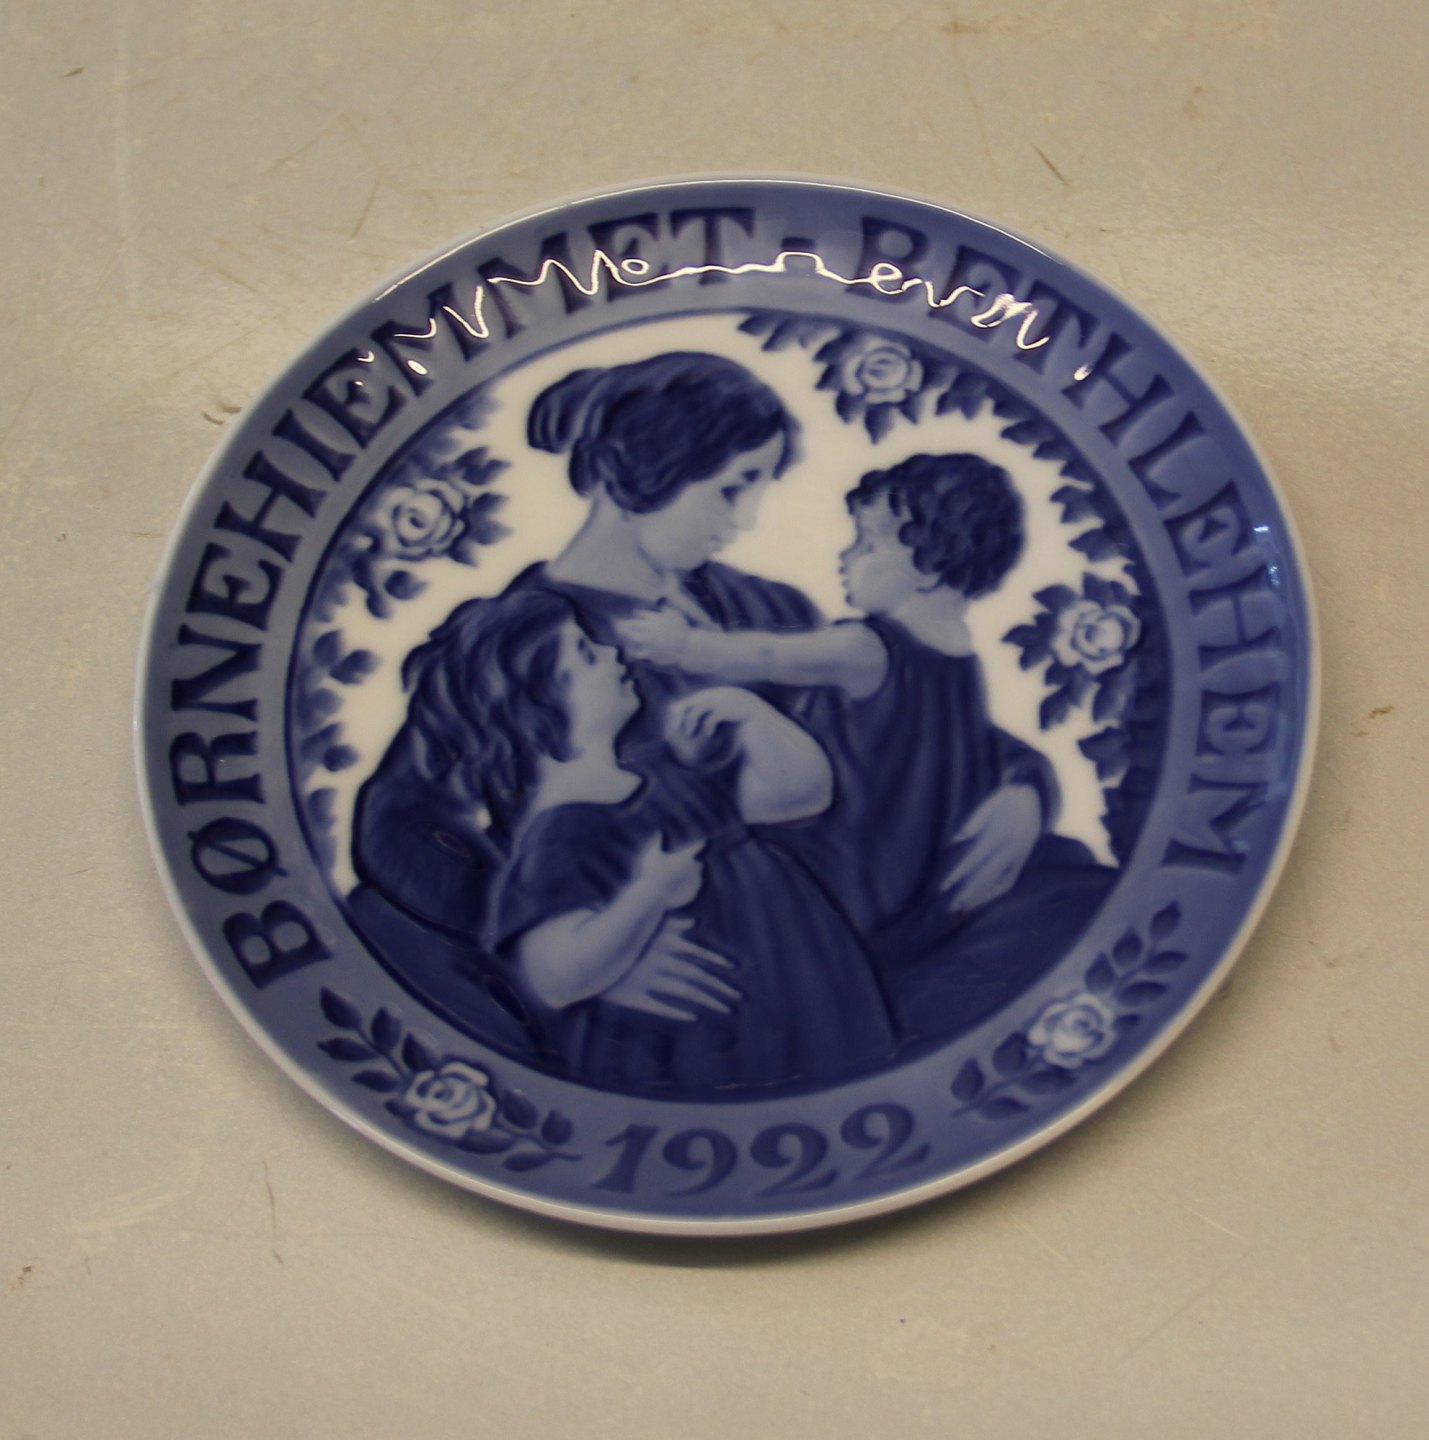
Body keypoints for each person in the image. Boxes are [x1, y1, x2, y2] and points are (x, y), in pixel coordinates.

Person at [618, 452, 1116, 1043]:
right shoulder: (958, 653)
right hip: (909, 877)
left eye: (868, 543)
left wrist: (683, 646)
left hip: (842, 868)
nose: (846, 556)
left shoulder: (865, 646)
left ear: (928, 567)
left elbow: (769, 656)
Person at [436, 587, 898, 1093]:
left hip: (801, 990)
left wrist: (751, 714)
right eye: (587, 654)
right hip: (700, 1045)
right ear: (541, 706)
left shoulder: (664, 769)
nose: (611, 651)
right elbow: (553, 975)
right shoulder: (563, 836)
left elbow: (803, 796)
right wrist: (648, 896)